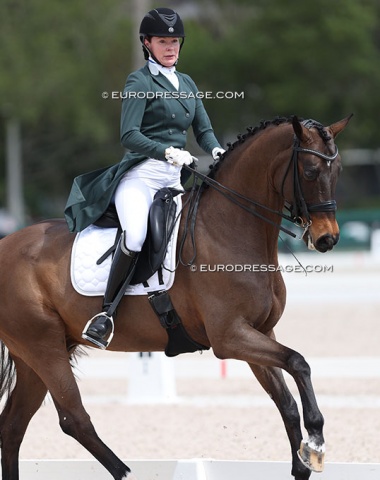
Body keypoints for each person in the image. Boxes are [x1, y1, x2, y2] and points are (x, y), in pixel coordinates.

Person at [65, 7, 224, 349]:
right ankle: (106, 314)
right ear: (147, 43)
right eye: (163, 41)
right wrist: (166, 151)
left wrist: (216, 151)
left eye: (175, 41)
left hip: (173, 182)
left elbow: (204, 128)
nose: (171, 47)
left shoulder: (187, 83)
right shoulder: (139, 82)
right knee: (136, 235)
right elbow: (129, 135)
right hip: (141, 177)